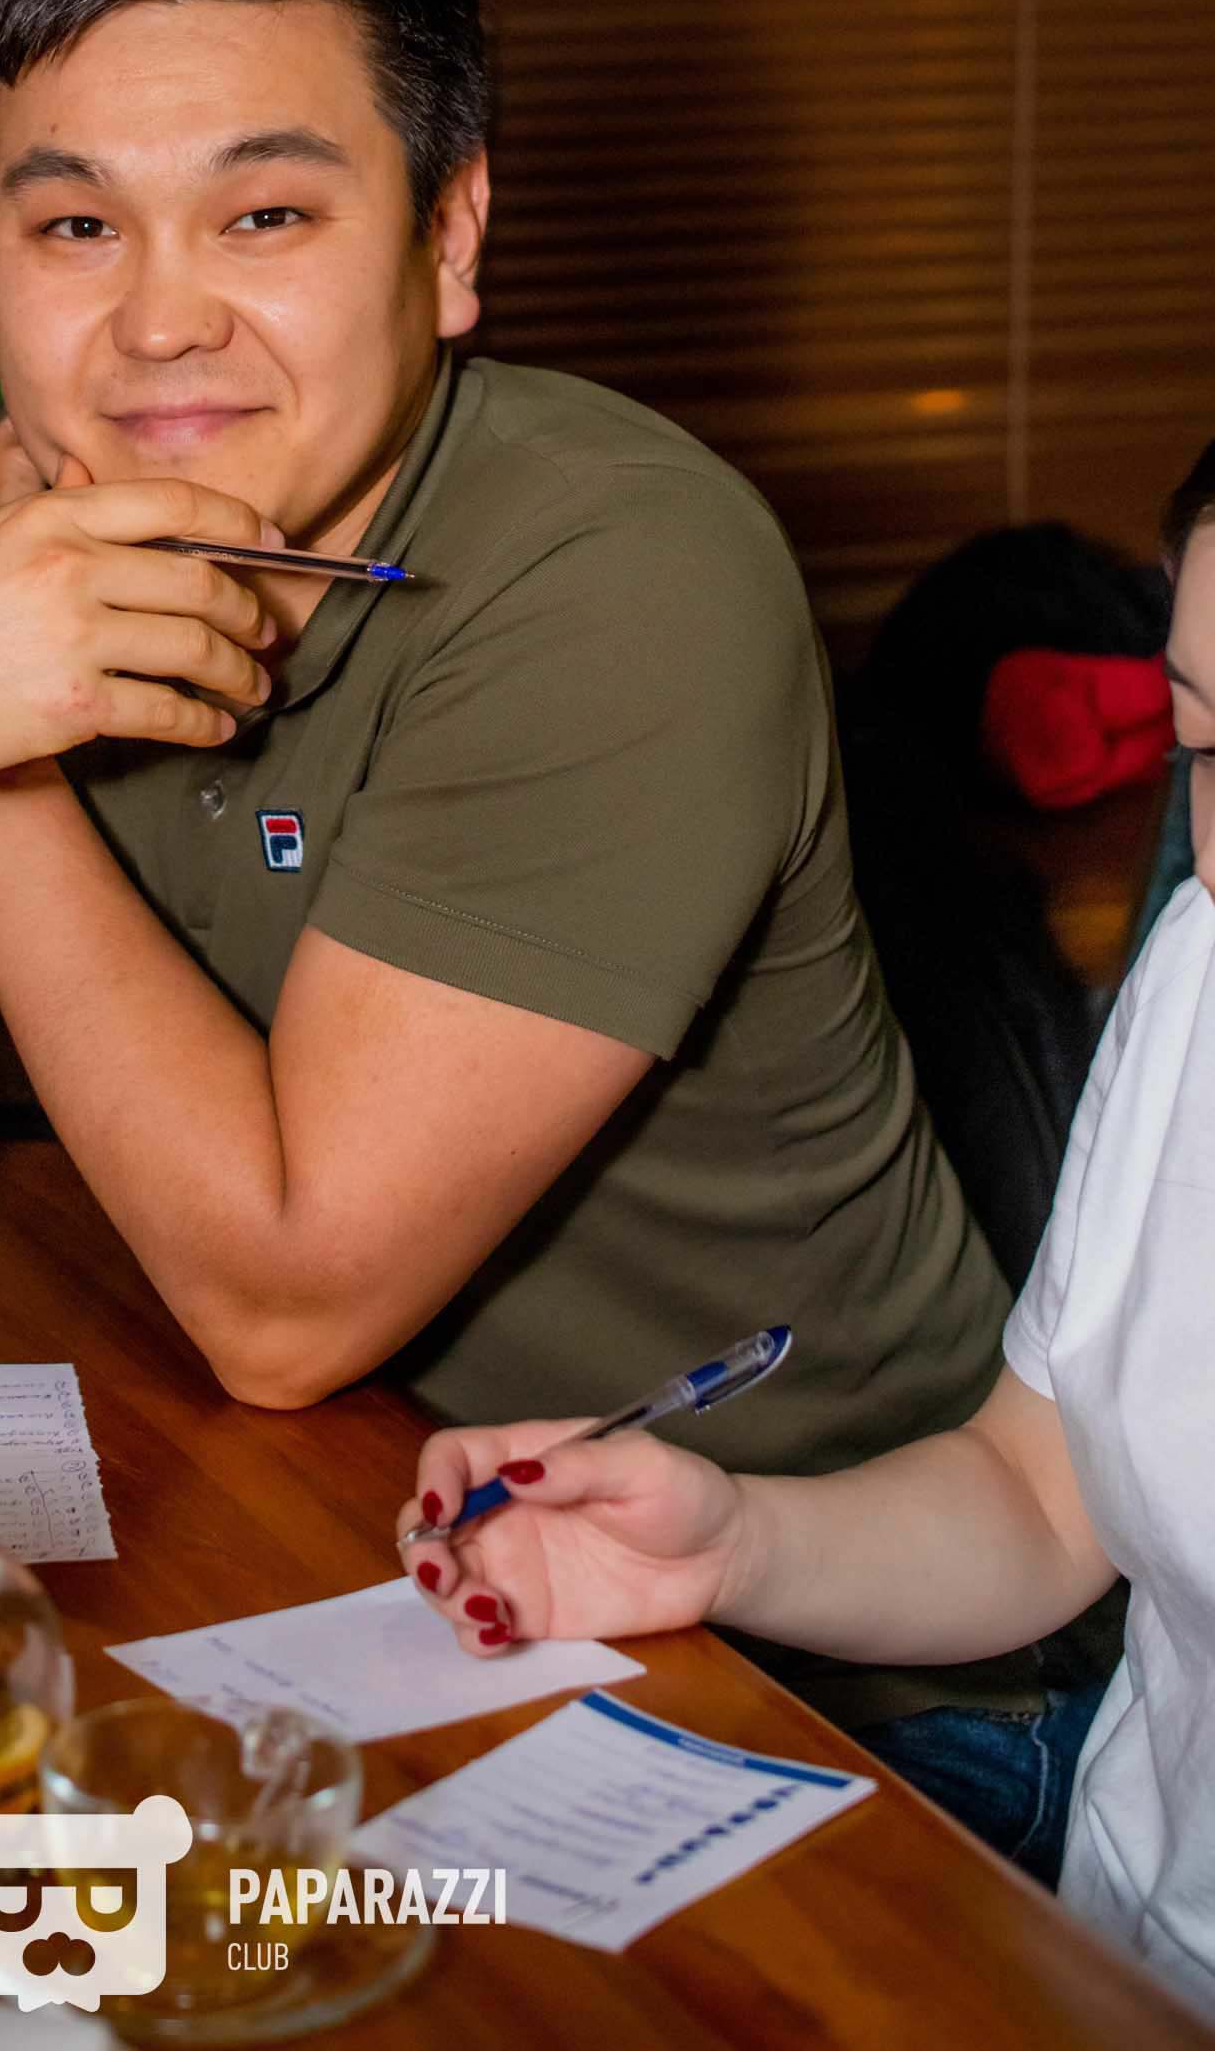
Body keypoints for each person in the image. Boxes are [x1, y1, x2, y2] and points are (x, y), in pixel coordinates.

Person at [0, 0, 1031, 1747]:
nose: (157, 321)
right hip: (367, 1558)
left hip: (837, 1680)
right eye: (73, 227)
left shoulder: (628, 574)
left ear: (449, 239)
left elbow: (286, 1308)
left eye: (265, 215)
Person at [398, 439, 1215, 1996]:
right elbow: (1042, 1501)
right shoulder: (1197, 967)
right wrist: (731, 1545)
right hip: (1115, 1963)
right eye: (1211, 747)